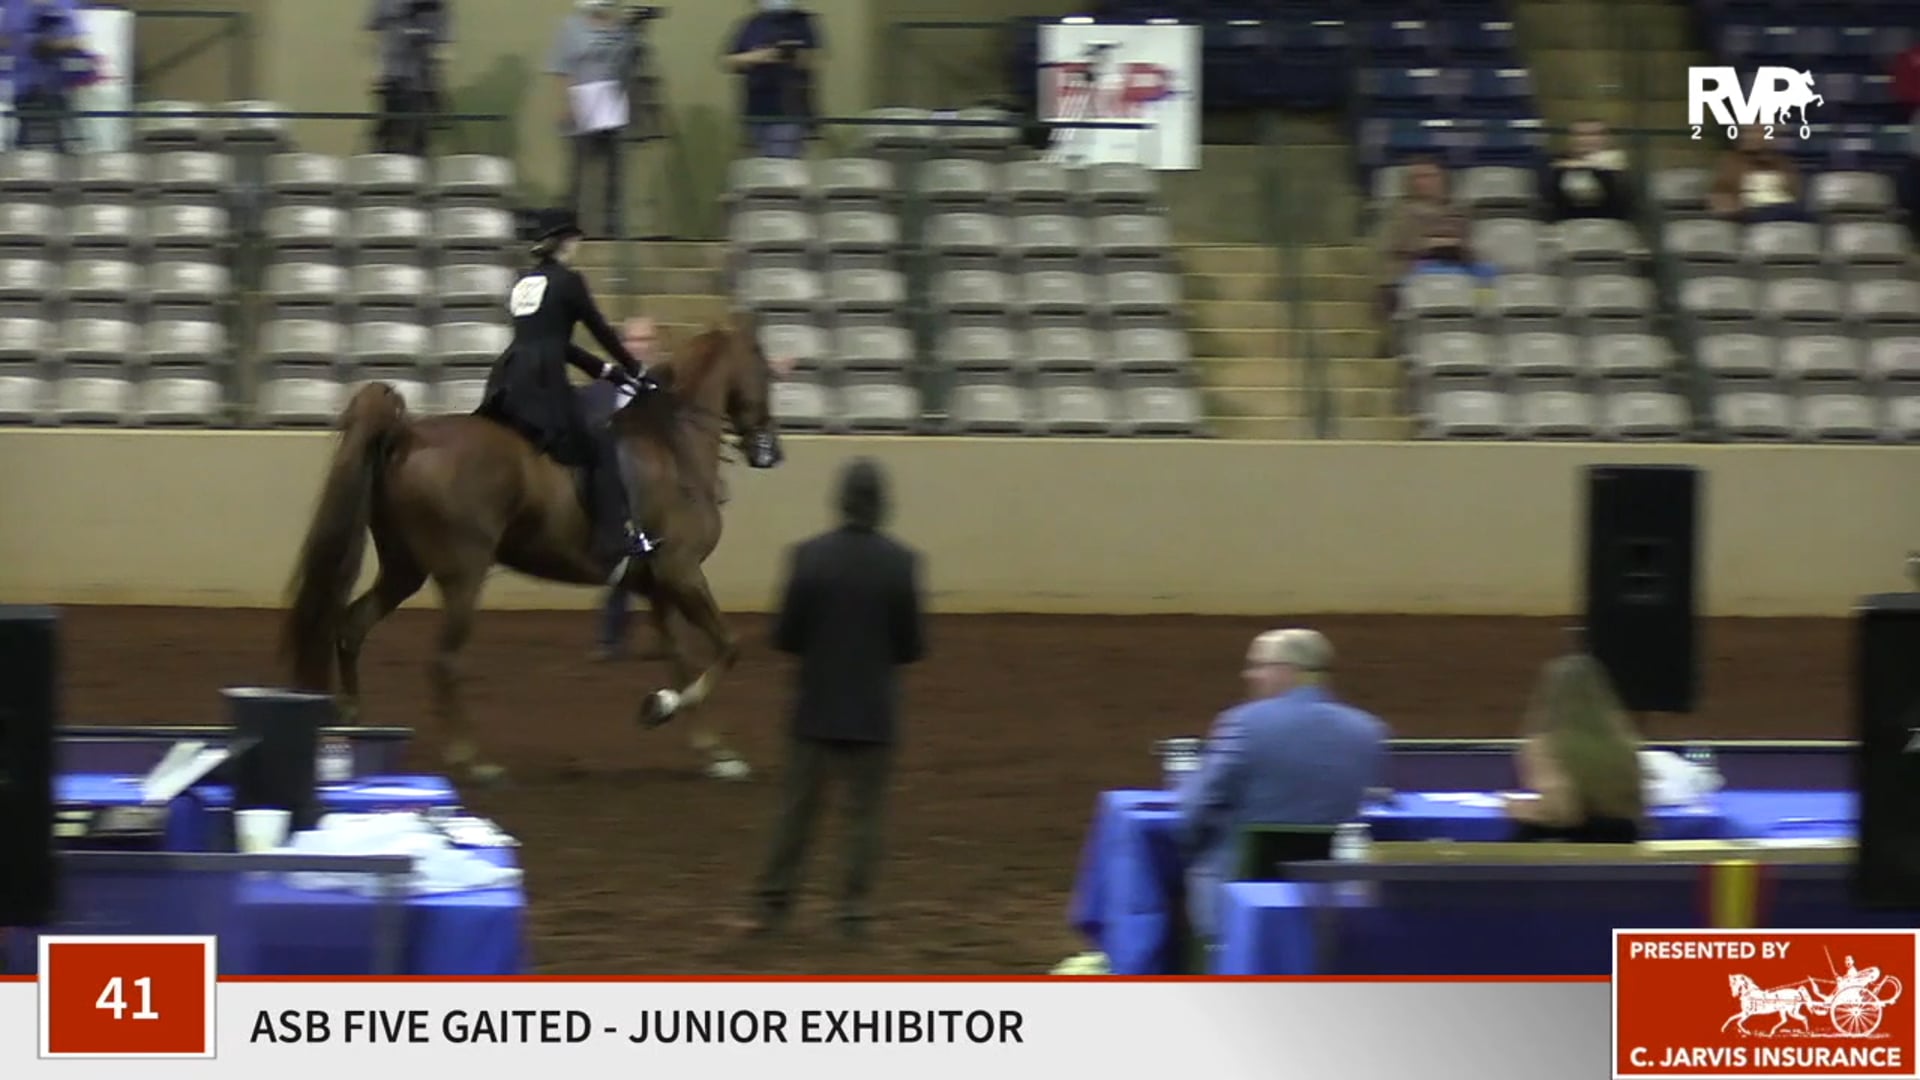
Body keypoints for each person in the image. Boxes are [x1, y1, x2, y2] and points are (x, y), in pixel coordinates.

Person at [746, 458, 925, 941]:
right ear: (882, 505)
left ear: (840, 501)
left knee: (796, 812)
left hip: (816, 707)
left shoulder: (807, 557)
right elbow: (911, 647)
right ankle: (853, 910)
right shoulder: (902, 563)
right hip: (872, 711)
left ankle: (774, 901)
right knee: (864, 817)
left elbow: (786, 636)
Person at [474, 213, 661, 583]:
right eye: (575, 240)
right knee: (601, 443)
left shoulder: (522, 283)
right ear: (565, 242)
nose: (578, 245)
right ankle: (615, 537)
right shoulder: (570, 281)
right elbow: (601, 330)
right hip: (543, 386)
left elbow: (550, 341)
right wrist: (635, 368)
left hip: (507, 381)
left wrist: (606, 372)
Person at [1176, 629, 1389, 945]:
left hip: (1237, 891)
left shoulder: (1245, 723)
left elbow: (1194, 807)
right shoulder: (1367, 730)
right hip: (1324, 894)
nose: (1249, 675)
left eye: (1258, 665)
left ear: (1287, 671)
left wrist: (1190, 845)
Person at [1502, 653, 1645, 843]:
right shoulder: (1624, 742)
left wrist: (1518, 809)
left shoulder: (1547, 746)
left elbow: (1563, 811)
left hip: (1567, 856)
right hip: (1625, 850)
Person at [589, 315, 663, 661]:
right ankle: (611, 639)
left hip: (652, 494)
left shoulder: (661, 391)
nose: (638, 346)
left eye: (644, 339)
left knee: (651, 566)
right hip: (613, 492)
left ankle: (619, 638)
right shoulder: (601, 388)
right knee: (629, 565)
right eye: (632, 340)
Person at [550, 0, 639, 237]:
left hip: (612, 102)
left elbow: (628, 65)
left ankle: (611, 226)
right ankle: (570, 226)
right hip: (582, 102)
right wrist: (566, 103)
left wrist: (624, 29)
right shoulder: (571, 27)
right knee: (578, 169)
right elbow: (562, 68)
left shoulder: (622, 30)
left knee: (613, 170)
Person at [722, 0, 821, 159]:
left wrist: (789, 54)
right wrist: (758, 57)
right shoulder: (752, 25)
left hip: (789, 110)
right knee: (757, 168)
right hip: (756, 110)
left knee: (781, 165)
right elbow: (729, 61)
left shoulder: (801, 22)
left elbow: (813, 58)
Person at [365, 0, 449, 156]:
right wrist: (377, 68)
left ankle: (417, 165)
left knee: (418, 139)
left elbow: (443, 39)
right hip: (392, 77)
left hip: (421, 81)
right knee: (388, 136)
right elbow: (373, 31)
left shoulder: (436, 5)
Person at [4, 0, 87, 152]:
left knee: (64, 133)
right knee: (21, 129)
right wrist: (24, 43)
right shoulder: (14, 5)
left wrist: (52, 45)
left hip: (54, 81)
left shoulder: (65, 4)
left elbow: (78, 41)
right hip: (23, 79)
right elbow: (6, 38)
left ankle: (68, 158)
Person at [1708, 126, 1806, 224]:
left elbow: (1796, 194)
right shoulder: (1732, 163)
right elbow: (1718, 197)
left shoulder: (1784, 164)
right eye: (1752, 133)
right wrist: (1735, 207)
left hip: (1783, 215)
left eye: (1761, 133)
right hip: (1748, 216)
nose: (1757, 137)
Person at [1545, 118, 1632, 222]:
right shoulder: (1556, 165)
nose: (1587, 139)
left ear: (1605, 138)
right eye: (1580, 134)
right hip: (1566, 228)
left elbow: (1623, 202)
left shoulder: (1616, 165)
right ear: (1570, 137)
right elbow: (1550, 201)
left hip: (1608, 227)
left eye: (1594, 134)